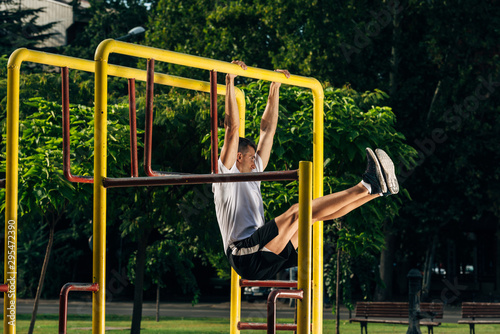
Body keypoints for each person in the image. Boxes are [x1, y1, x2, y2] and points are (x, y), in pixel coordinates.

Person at [212, 61, 399, 280]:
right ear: (238, 156)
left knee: (311, 215)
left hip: (262, 251)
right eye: (252, 158)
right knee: (297, 211)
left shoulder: (255, 172)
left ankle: (375, 191)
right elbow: (232, 129)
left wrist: (275, 87)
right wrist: (230, 79)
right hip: (243, 253)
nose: (256, 163)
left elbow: (267, 132)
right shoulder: (225, 173)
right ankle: (367, 184)